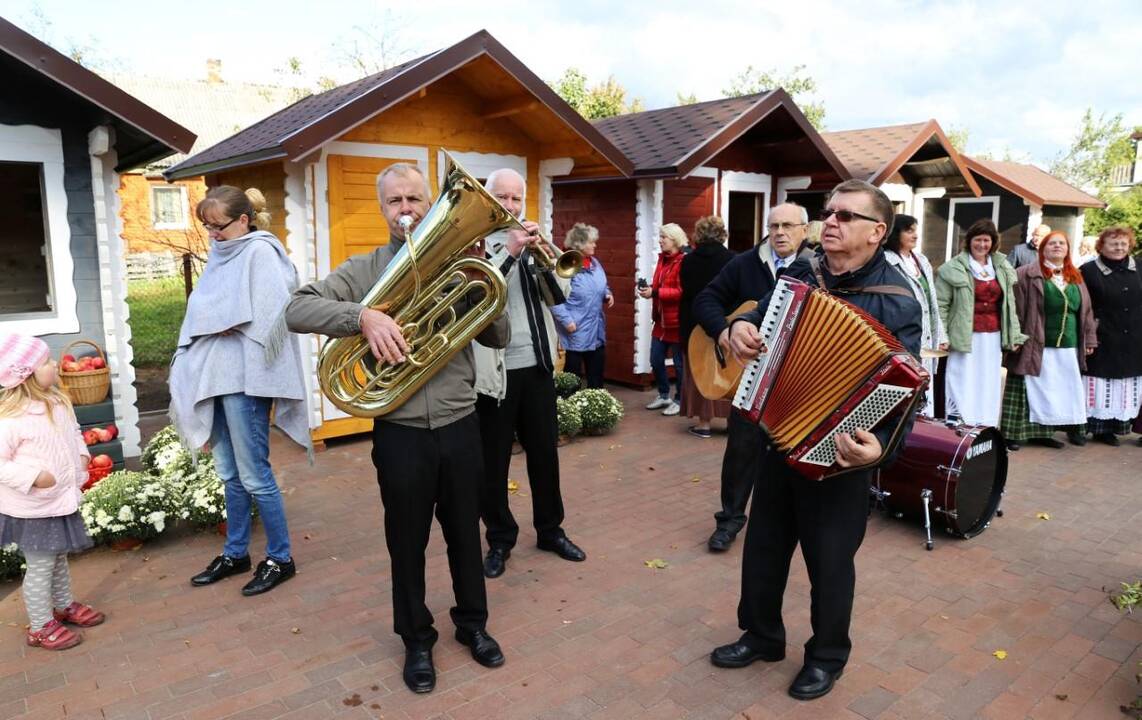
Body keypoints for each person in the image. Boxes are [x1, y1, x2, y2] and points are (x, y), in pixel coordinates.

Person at [286, 163, 510, 693]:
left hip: (460, 424)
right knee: (405, 542)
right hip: (401, 433)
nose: (405, 209)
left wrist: (486, 274)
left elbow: (498, 336)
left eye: (414, 199)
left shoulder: (461, 262)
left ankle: (473, 626)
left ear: (431, 204)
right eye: (395, 202)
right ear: (382, 209)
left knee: (463, 533)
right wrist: (362, 318)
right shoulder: (366, 270)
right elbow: (297, 308)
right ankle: (416, 641)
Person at [711, 180, 921, 701]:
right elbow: (759, 322)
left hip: (840, 457)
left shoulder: (898, 303)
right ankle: (761, 636)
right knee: (763, 547)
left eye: (846, 216)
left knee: (829, 562)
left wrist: (881, 450)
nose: (830, 222)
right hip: (780, 435)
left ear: (877, 232)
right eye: (829, 213)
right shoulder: (802, 272)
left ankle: (827, 656)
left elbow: (907, 397)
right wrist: (739, 329)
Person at [170, 187, 310, 596]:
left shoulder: (261, 252)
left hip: (248, 381)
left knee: (255, 475)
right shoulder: (222, 254)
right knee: (229, 474)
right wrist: (219, 318)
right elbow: (202, 311)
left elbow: (272, 314)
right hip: (217, 376)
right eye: (207, 227)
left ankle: (281, 558)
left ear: (244, 220)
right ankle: (236, 553)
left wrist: (225, 318)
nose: (212, 235)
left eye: (218, 226)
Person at [475, 168, 586, 582]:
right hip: (497, 376)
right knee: (493, 464)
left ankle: (550, 531)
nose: (510, 205)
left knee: (545, 457)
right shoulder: (477, 247)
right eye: (502, 197)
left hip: (537, 369)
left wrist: (543, 257)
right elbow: (481, 294)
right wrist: (511, 253)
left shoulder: (536, 244)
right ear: (489, 200)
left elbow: (559, 296)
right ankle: (500, 539)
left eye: (517, 198)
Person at [690, 203, 808, 551]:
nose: (780, 233)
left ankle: (787, 523)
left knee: (792, 452)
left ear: (804, 229)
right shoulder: (744, 263)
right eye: (773, 226)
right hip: (750, 379)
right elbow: (706, 299)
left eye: (788, 226)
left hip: (796, 379)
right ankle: (729, 520)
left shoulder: (817, 269)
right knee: (741, 451)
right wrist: (724, 331)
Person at [0, 334, 103, 651]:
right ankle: (40, 625)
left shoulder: (58, 401)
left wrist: (83, 455)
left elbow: (72, 433)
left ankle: (63, 604)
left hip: (60, 500)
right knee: (42, 565)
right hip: (34, 507)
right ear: (27, 374)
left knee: (58, 558)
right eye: (46, 361)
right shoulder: (10, 420)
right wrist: (32, 476)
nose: (55, 363)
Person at [1001, 232, 1097, 450]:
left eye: (1061, 243)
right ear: (1042, 248)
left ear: (1067, 248)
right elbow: (1013, 309)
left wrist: (1089, 339)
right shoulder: (1025, 274)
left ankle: (1045, 433)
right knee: (1029, 387)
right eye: (1051, 243)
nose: (1057, 246)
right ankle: (1015, 434)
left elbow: (1086, 311)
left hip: (1068, 345)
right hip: (1035, 342)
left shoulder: (1076, 276)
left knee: (1059, 388)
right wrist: (1015, 338)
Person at [935, 219, 1025, 428]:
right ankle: (959, 422)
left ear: (993, 243)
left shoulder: (1001, 266)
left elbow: (1010, 305)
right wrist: (942, 335)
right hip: (964, 333)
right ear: (969, 241)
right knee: (961, 377)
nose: (982, 245)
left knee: (988, 379)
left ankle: (985, 423)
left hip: (993, 334)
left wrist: (1015, 335)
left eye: (986, 240)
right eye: (978, 240)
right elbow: (941, 304)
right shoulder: (953, 268)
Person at [1080, 226, 1142, 446]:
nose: (1119, 247)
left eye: (1123, 243)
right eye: (1113, 243)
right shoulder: (1088, 270)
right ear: (1101, 246)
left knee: (1126, 383)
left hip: (1134, 335)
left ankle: (1119, 427)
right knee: (1100, 383)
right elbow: (1083, 305)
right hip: (1103, 334)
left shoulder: (1139, 267)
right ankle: (1100, 430)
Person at [883, 214, 946, 416]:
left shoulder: (922, 260)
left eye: (915, 230)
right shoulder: (887, 261)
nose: (915, 235)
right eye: (909, 230)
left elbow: (932, 301)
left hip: (927, 334)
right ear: (895, 233)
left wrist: (942, 336)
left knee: (925, 385)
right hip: (906, 334)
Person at [678, 215, 735, 438]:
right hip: (724, 322)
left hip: (694, 324)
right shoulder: (732, 258)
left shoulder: (688, 260)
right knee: (728, 371)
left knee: (700, 373)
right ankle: (731, 421)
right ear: (722, 233)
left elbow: (687, 289)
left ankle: (703, 423)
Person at [551, 223, 613, 389]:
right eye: (591, 242)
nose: (594, 245)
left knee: (597, 374)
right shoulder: (566, 265)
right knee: (572, 378)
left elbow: (601, 284)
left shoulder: (594, 263)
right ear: (578, 244)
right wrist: (567, 321)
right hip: (575, 329)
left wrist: (607, 293)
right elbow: (554, 297)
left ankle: (597, 410)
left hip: (596, 328)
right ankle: (571, 410)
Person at [639, 223, 687, 416]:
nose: (660, 241)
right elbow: (661, 285)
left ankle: (680, 399)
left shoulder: (683, 261)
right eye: (660, 237)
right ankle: (664, 394)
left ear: (674, 239)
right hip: (660, 321)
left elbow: (681, 292)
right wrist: (649, 288)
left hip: (676, 323)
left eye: (663, 237)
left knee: (679, 364)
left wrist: (656, 292)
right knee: (656, 359)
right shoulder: (663, 260)